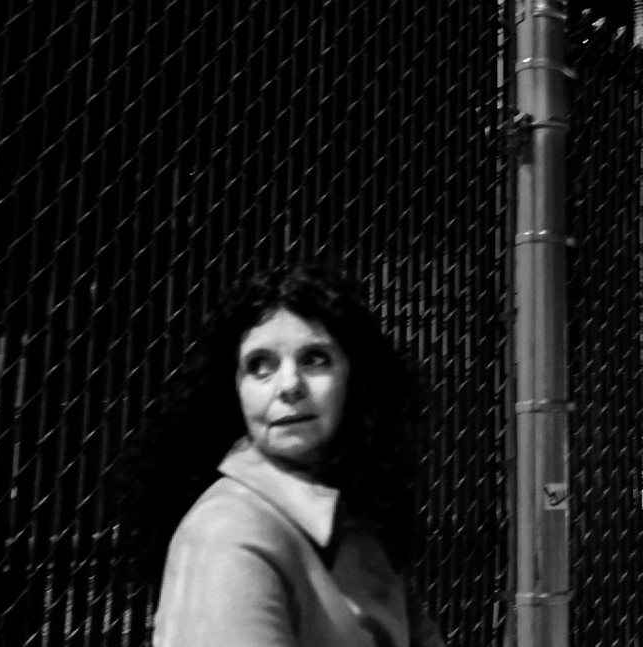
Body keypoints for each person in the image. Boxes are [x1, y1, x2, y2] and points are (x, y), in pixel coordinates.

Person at [126, 260, 445, 647]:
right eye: (260, 366)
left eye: (314, 359)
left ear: (356, 379)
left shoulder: (359, 523)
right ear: (234, 391)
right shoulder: (229, 537)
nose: (289, 385)